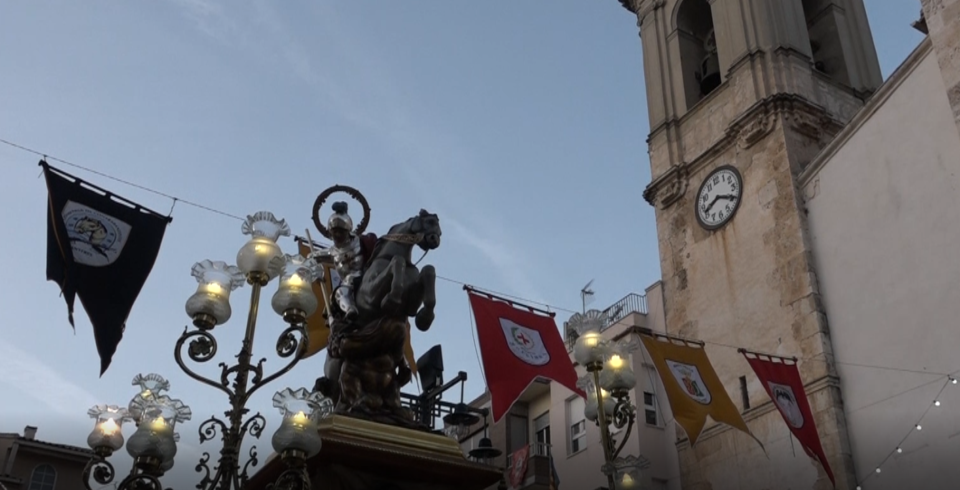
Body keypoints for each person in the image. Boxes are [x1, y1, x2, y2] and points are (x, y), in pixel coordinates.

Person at [311, 201, 365, 321]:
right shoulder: (333, 252)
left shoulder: (360, 243)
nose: (337, 235)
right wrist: (316, 271)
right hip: (347, 283)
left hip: (363, 276)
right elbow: (313, 257)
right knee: (339, 293)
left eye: (340, 232)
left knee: (341, 291)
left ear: (347, 231)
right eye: (334, 232)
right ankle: (350, 309)